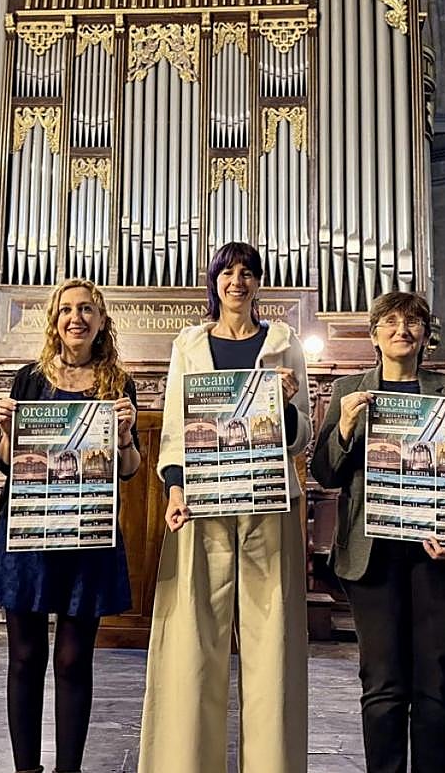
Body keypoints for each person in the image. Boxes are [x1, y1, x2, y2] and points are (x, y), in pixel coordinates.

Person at [138, 241, 311, 773]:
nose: (237, 281)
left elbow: (300, 435)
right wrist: (174, 488)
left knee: (274, 639)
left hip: (269, 499)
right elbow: (173, 427)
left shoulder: (284, 344)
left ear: (259, 282)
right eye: (228, 272)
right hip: (202, 504)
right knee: (191, 641)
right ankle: (183, 763)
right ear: (213, 282)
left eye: (248, 272)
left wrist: (282, 405)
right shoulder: (188, 344)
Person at [310, 291, 445, 773]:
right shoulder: (347, 389)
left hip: (440, 554)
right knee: (383, 683)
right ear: (373, 334)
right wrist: (346, 427)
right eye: (389, 322)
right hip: (373, 558)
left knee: (435, 682)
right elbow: (326, 474)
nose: (401, 330)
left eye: (413, 322)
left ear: (425, 335)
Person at [0, 278, 141, 773]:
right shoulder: (29, 378)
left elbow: (129, 468)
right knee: (25, 657)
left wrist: (128, 434)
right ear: (55, 320)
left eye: (87, 308)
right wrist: (6, 433)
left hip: (88, 532)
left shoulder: (119, 384)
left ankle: (69, 768)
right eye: (67, 309)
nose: (77, 317)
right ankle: (26, 769)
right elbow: (8, 462)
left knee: (73, 660)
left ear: (101, 319)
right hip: (28, 530)